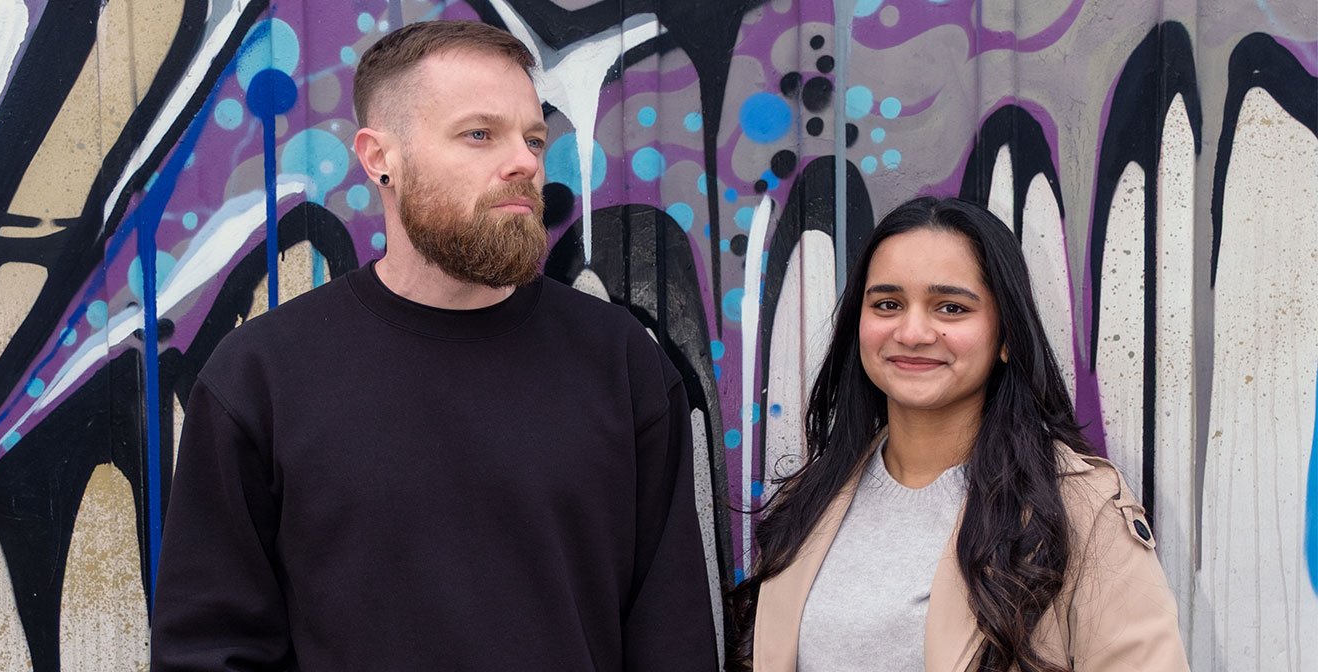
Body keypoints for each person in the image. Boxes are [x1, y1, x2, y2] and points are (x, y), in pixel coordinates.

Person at [152, 20, 717, 671]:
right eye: (480, 134)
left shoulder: (616, 360)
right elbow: (209, 647)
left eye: (533, 138)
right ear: (379, 157)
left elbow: (670, 632)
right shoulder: (263, 377)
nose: (525, 162)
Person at [726, 197, 1188, 671]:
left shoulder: (1078, 506)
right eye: (888, 304)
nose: (912, 331)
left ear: (1006, 336)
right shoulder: (811, 501)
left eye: (950, 307)